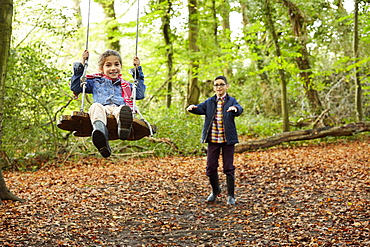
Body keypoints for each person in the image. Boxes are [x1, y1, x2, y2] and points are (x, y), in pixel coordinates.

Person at [70, 49, 146, 158]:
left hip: (118, 110)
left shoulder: (126, 85)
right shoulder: (95, 81)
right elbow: (76, 87)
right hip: (102, 110)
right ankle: (100, 132)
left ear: (120, 66)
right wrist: (82, 63)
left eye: (116, 64)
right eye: (108, 65)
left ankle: (123, 128)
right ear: (102, 68)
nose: (113, 68)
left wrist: (137, 71)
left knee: (124, 109)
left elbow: (139, 94)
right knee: (95, 107)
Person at [187, 76, 243, 205]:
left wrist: (235, 109)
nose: (219, 87)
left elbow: (239, 108)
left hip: (227, 140)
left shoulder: (231, 100)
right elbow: (199, 108)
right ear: (214, 88)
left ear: (226, 86)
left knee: (228, 167)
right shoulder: (210, 102)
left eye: (222, 84)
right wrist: (192, 108)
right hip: (213, 139)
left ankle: (230, 196)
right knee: (211, 167)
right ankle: (215, 190)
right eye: (217, 85)